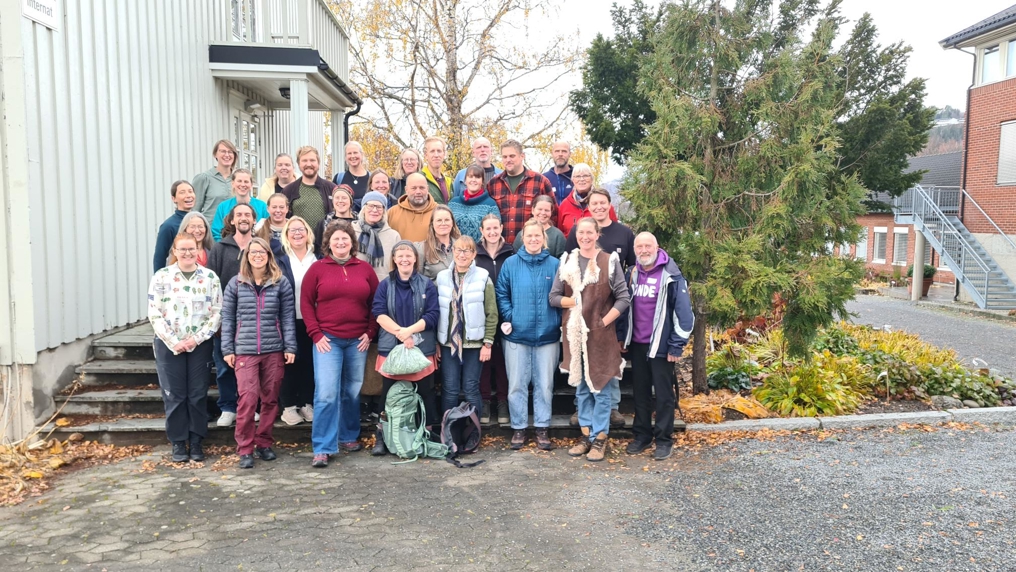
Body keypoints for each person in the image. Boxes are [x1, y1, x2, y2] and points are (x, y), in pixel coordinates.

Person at [550, 217, 631, 462]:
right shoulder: (567, 261)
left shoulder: (609, 261)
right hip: (574, 336)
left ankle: (600, 439)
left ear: (597, 235)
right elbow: (554, 297)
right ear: (576, 235)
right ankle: (586, 435)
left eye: (589, 232)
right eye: (580, 232)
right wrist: (574, 302)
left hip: (601, 337)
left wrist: (603, 322)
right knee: (582, 388)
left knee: (601, 387)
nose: (585, 237)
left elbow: (624, 298)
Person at [302, 221, 379, 468]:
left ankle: (348, 436)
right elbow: (305, 304)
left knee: (352, 390)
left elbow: (376, 304)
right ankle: (323, 447)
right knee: (326, 392)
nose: (341, 242)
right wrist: (315, 334)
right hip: (328, 340)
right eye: (336, 239)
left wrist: (370, 332)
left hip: (357, 340)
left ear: (352, 242)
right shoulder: (317, 269)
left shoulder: (365, 269)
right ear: (328, 243)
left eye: (345, 239)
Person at [221, 237, 297, 469]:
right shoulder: (236, 283)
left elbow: (287, 317)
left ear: (268, 256)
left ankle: (264, 443)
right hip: (245, 351)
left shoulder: (280, 283)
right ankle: (245, 448)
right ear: (247, 255)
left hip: (274, 349)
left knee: (270, 399)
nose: (257, 255)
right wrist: (227, 349)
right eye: (253, 251)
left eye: (262, 252)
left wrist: (290, 346)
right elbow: (227, 318)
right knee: (247, 399)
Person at [617, 232, 694, 461]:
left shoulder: (671, 275)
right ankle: (642, 436)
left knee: (663, 395)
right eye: (639, 246)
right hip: (638, 344)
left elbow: (685, 315)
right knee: (640, 393)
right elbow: (623, 308)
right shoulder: (631, 273)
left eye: (647, 246)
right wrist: (623, 336)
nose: (643, 250)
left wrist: (676, 346)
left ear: (657, 247)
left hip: (662, 345)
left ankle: (663, 439)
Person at [148, 233, 222, 463]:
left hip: (199, 345)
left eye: (192, 249)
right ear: (175, 251)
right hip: (169, 345)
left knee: (197, 394)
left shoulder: (210, 278)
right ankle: (179, 442)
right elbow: (154, 312)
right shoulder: (162, 277)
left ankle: (197, 439)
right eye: (183, 249)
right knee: (175, 395)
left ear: (199, 249)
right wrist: (174, 341)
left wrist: (196, 339)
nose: (188, 253)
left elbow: (217, 313)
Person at [565, 188, 634, 427]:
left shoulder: (624, 232)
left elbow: (632, 269)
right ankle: (583, 411)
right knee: (583, 361)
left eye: (603, 203)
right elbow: (567, 275)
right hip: (582, 316)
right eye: (594, 203)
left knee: (608, 360)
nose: (599, 207)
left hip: (610, 308)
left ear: (609, 204)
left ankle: (611, 408)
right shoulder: (578, 235)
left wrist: (608, 317)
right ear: (589, 207)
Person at [369, 241, 441, 457]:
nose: (404, 259)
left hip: (420, 347)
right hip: (392, 347)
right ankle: (382, 436)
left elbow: (432, 314)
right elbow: (379, 312)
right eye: (400, 255)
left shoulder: (427, 284)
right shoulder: (385, 285)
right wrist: (401, 333)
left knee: (426, 393)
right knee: (388, 394)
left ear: (415, 259)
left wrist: (409, 332)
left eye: (408, 254)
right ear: (394, 259)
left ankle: (426, 436)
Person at [496, 219, 560, 451]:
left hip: (547, 335)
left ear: (544, 239)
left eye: (538, 236)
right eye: (529, 236)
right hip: (516, 337)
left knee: (544, 385)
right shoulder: (511, 264)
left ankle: (542, 428)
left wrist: (557, 321)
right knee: (516, 385)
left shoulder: (555, 265)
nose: (533, 239)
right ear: (523, 238)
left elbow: (564, 295)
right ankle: (519, 428)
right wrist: (511, 316)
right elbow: (501, 292)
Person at [207, 203, 257, 426]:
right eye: (239, 215)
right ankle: (228, 406)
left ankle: (251, 405)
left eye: (248, 214)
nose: (244, 218)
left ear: (254, 220)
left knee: (253, 365)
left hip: (254, 318)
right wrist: (216, 319)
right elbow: (212, 285)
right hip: (226, 317)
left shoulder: (260, 247)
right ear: (233, 220)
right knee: (225, 363)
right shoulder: (220, 248)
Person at [436, 236, 496, 423]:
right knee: (450, 388)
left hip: (474, 342)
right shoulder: (442, 277)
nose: (462, 255)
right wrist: (437, 342)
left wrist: (487, 343)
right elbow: (436, 312)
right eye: (459, 250)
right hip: (448, 343)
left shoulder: (483, 276)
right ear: (453, 252)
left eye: (467, 251)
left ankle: (473, 431)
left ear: (474, 254)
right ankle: (449, 430)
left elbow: (491, 312)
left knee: (471, 387)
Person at [276, 217, 320, 426]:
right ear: (286, 234)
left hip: (313, 319)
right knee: (289, 362)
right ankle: (288, 406)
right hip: (288, 318)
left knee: (309, 364)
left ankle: (306, 402)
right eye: (292, 230)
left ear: (307, 232)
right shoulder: (280, 259)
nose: (297, 233)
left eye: (300, 229)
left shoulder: (317, 257)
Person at [474, 214, 514, 424]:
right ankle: (485, 401)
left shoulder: (510, 253)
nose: (492, 232)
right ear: (481, 231)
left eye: (495, 228)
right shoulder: (475, 255)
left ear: (501, 228)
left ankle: (503, 401)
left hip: (506, 314)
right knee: (484, 359)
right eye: (487, 229)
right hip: (482, 314)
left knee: (502, 360)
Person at [487, 139, 554, 244]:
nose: (508, 160)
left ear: (522, 156)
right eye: (505, 157)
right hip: (501, 248)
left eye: (512, 156)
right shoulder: (493, 184)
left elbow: (553, 215)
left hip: (531, 247)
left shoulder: (540, 181)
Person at [283, 145, 336, 233]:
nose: (308, 164)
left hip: (325, 243)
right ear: (299, 164)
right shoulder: (288, 191)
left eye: (312, 160)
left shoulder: (331, 189)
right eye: (304, 160)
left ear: (318, 163)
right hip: (299, 242)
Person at [557, 164, 619, 237]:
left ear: (592, 179)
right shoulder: (565, 205)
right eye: (577, 176)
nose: (582, 179)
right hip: (571, 247)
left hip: (599, 247)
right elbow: (560, 233)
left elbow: (615, 231)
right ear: (572, 180)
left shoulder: (603, 206)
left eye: (586, 176)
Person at [352, 192, 402, 281]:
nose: (374, 210)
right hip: (356, 285)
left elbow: (398, 265)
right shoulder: (351, 232)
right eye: (370, 206)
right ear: (363, 209)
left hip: (384, 286)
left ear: (384, 211)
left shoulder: (394, 236)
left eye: (379, 207)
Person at [448, 164, 501, 243]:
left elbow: (495, 233)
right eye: (470, 176)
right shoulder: (453, 203)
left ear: (482, 181)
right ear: (465, 180)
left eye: (477, 177)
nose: (473, 180)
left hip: (480, 253)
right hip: (456, 252)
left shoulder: (490, 205)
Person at [211, 169, 269, 242]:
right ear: (233, 184)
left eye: (246, 181)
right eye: (239, 181)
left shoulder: (262, 206)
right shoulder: (223, 207)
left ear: (251, 185)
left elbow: (268, 231)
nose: (242, 184)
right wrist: (224, 247)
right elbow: (216, 232)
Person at [153, 180, 196, 273]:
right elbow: (159, 257)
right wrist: (159, 280)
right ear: (174, 198)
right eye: (182, 192)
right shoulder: (169, 226)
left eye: (190, 191)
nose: (188, 195)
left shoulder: (199, 221)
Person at [193, 139, 238, 221]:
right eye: (223, 151)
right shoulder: (204, 178)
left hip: (234, 231)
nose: (227, 155)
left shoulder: (238, 180)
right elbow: (194, 210)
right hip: (211, 230)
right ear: (215, 154)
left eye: (230, 152)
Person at [387, 173, 436, 242]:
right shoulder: (392, 213)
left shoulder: (439, 212)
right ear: (406, 190)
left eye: (422, 188)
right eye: (414, 188)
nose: (418, 192)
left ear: (427, 189)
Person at [418, 205, 461, 281]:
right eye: (439, 220)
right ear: (432, 224)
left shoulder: (461, 246)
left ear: (452, 223)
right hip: (433, 292)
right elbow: (417, 279)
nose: (443, 223)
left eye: (447, 220)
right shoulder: (422, 249)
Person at [314, 185, 356, 254]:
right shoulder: (324, 222)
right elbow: (318, 248)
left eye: (344, 198)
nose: (340, 201)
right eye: (337, 198)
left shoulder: (358, 222)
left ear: (350, 201)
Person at [332, 141, 371, 209]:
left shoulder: (371, 178)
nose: (353, 156)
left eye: (355, 153)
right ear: (345, 157)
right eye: (349, 153)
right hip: (344, 219)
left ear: (361, 155)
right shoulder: (339, 178)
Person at [421, 137, 452, 205]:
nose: (436, 155)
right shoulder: (418, 178)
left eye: (439, 151)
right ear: (426, 155)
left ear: (444, 154)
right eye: (432, 151)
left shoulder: (449, 182)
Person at [543, 140, 574, 205]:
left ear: (569, 154)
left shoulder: (578, 177)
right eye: (557, 151)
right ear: (552, 154)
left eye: (564, 151)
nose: (560, 154)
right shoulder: (544, 178)